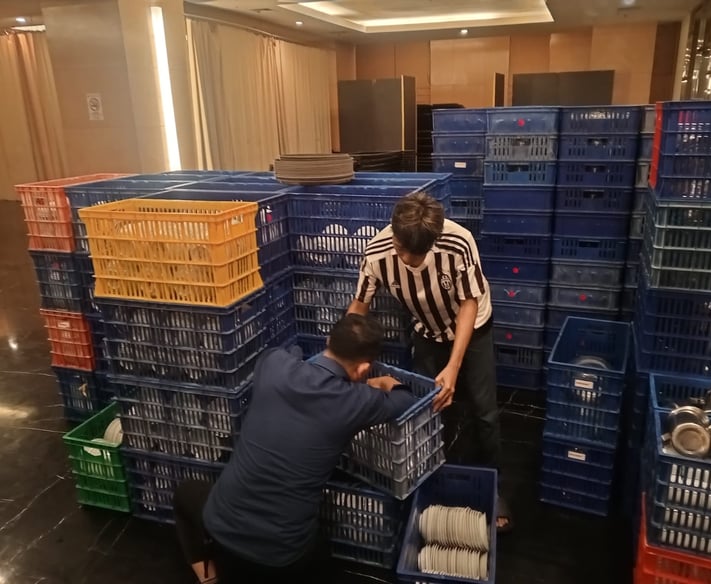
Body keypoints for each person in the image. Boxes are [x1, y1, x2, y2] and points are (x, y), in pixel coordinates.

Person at [173, 313, 417, 584]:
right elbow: (405, 399)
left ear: (328, 341)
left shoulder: (273, 365)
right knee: (316, 541)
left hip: (221, 530)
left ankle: (208, 578)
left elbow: (292, 351)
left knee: (186, 493)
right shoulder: (355, 400)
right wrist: (383, 383)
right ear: (363, 369)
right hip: (281, 556)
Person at [347, 191, 511, 531]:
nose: (408, 260)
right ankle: (431, 476)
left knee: (484, 411)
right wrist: (339, 355)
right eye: (402, 250)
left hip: (472, 327)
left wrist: (453, 366)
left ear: (434, 240)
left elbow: (469, 303)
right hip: (426, 329)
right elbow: (359, 306)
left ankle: (495, 485)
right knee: (428, 408)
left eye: (417, 254)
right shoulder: (377, 253)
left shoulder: (459, 242)